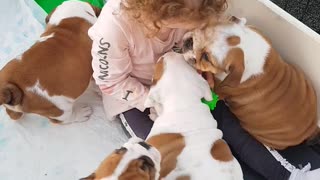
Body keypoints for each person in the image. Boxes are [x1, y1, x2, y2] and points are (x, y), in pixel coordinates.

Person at [88, 0, 320, 179]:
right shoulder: (112, 29)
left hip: (187, 83)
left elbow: (196, 50)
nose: (201, 21)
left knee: (232, 127)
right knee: (164, 154)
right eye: (193, 18)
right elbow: (110, 82)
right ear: (162, 11)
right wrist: (156, 102)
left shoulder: (193, 12)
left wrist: (202, 75)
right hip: (138, 100)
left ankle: (293, 173)